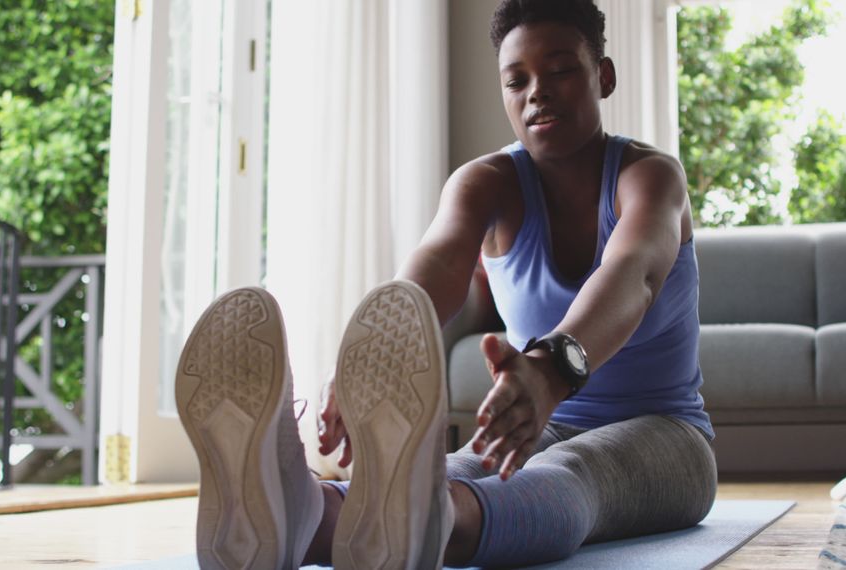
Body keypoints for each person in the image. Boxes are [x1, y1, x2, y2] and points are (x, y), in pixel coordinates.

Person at [175, 0, 717, 568]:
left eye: (560, 71)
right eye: (517, 80)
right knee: (442, 473)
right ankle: (301, 514)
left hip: (666, 431)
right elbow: (436, 265)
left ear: (602, 76)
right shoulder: (486, 183)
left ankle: (428, 525)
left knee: (569, 474)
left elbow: (634, 275)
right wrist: (370, 360)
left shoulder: (651, 176)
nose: (537, 92)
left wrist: (551, 370)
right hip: (539, 418)